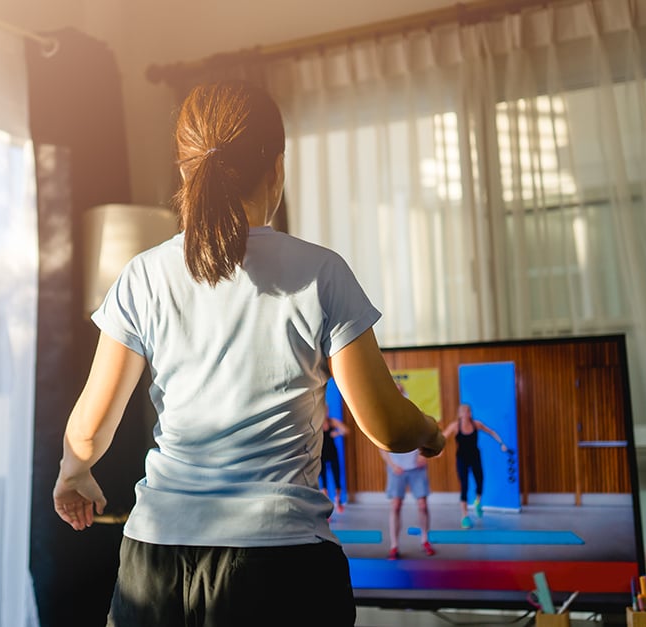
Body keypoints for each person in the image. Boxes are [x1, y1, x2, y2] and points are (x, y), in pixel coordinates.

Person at [52, 80, 445, 627]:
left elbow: (89, 433)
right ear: (277, 169)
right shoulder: (320, 271)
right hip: (281, 562)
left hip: (157, 560)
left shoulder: (142, 276)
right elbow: (389, 429)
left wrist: (74, 474)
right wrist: (428, 431)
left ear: (185, 171)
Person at [442, 403, 509, 528]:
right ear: (460, 414)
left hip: (475, 457)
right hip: (462, 459)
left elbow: (491, 432)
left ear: (470, 413)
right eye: (464, 412)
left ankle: (477, 502)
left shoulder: (476, 424)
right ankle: (465, 516)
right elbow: (442, 438)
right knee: (464, 486)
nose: (467, 414)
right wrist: (438, 450)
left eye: (468, 412)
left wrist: (501, 443)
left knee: (480, 481)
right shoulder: (455, 426)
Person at [380, 448, 434, 559]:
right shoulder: (390, 430)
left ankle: (425, 540)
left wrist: (424, 455)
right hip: (396, 467)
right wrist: (391, 464)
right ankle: (394, 545)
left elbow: (429, 439)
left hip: (417, 467)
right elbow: (381, 446)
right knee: (395, 505)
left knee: (422, 505)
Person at [320, 378, 349, 512]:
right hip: (321, 453)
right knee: (323, 478)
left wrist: (336, 433)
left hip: (332, 452)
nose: (325, 413)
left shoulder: (332, 422)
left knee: (336, 475)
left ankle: (338, 500)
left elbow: (345, 430)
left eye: (326, 410)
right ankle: (326, 505)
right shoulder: (317, 424)